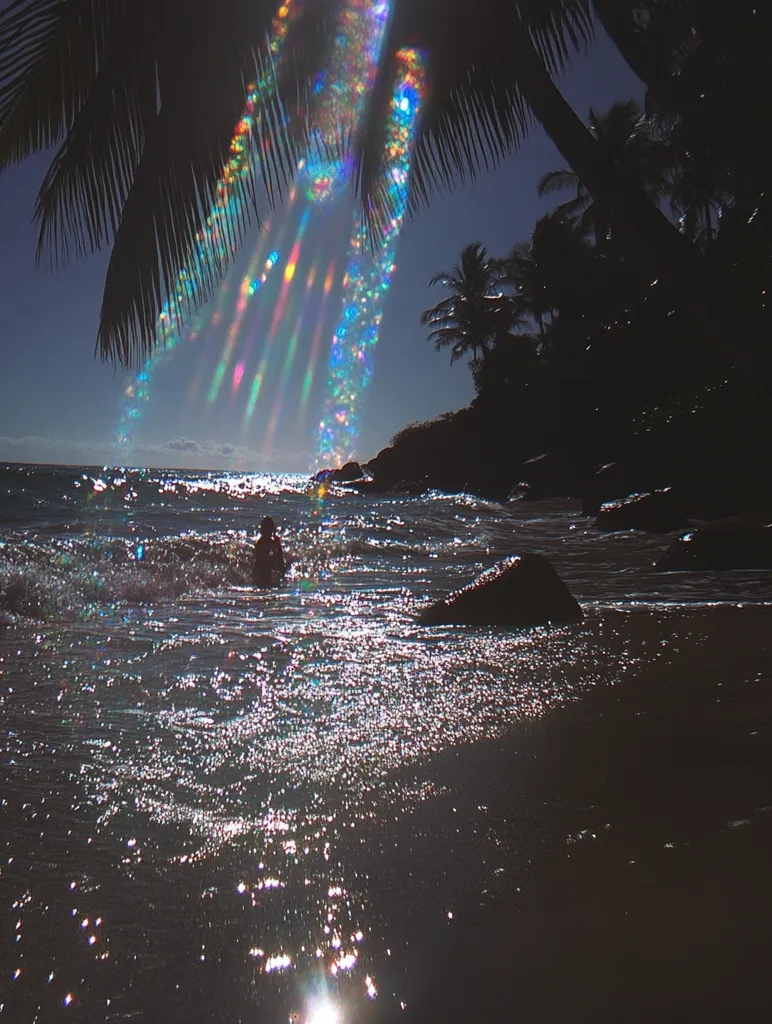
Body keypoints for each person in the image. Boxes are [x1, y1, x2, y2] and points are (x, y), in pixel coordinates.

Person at [252, 515, 285, 587]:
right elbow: (260, 562)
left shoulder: (271, 542)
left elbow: (279, 563)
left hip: (264, 575)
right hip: (261, 576)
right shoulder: (261, 544)